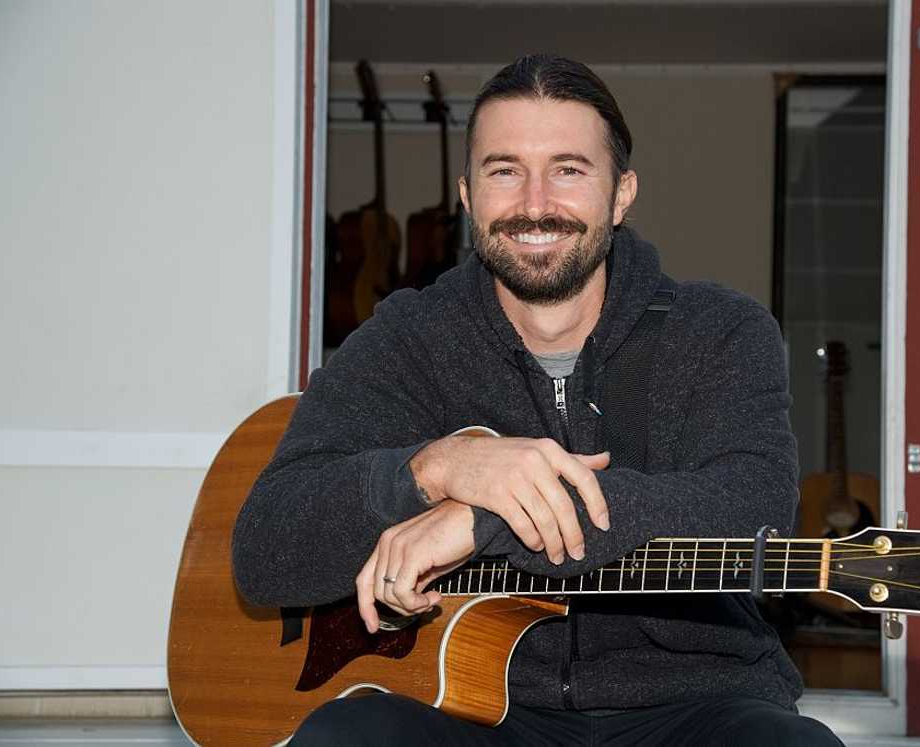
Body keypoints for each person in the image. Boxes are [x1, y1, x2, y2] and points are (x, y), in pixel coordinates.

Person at [232, 53, 843, 746]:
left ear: (621, 194)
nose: (534, 203)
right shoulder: (407, 338)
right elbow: (265, 549)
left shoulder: (721, 332)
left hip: (695, 705)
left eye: (569, 169)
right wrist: (432, 471)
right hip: (464, 706)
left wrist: (482, 518)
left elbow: (750, 506)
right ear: (467, 195)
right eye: (504, 170)